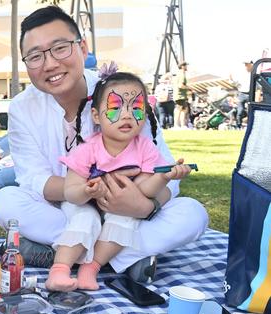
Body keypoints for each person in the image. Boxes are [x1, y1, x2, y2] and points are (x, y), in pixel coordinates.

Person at [0, 6, 208, 283]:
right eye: (35, 56)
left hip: (132, 209)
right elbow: (33, 180)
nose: (50, 64)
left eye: (60, 48)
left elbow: (167, 175)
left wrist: (142, 206)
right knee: (5, 202)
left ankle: (65, 256)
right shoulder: (23, 107)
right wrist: (88, 191)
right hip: (68, 210)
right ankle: (121, 258)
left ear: (82, 47)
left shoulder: (119, 94)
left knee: (193, 215)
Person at [46, 71, 195, 292]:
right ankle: (59, 270)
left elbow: (145, 189)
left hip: (122, 208)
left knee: (127, 221)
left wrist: (163, 177)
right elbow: (70, 192)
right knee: (86, 221)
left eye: (135, 108)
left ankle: (91, 268)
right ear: (96, 116)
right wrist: (86, 191)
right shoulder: (87, 149)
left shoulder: (146, 148)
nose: (127, 115)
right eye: (116, 108)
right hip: (84, 205)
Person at [231, 60, 254, 129]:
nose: (246, 66)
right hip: (241, 94)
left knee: (251, 110)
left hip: (251, 94)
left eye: (247, 64)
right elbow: (236, 83)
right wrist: (231, 80)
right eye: (245, 64)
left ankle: (251, 125)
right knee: (240, 110)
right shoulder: (241, 75)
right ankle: (238, 125)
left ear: (251, 64)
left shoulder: (254, 73)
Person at [173, 61, 190, 129]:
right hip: (180, 96)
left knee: (183, 110)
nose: (187, 67)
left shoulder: (178, 74)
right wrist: (189, 88)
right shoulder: (182, 74)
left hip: (180, 96)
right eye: (186, 65)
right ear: (183, 66)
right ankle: (177, 125)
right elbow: (181, 85)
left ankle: (182, 125)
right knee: (180, 110)